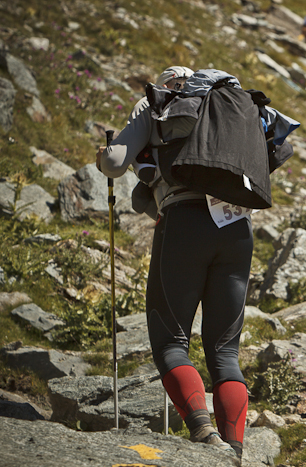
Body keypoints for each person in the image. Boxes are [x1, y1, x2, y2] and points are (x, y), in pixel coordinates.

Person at [96, 66, 250, 466]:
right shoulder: (227, 107)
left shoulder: (156, 102)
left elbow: (115, 163)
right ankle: (235, 451)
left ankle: (203, 432)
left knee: (170, 342)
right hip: (237, 226)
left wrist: (104, 158)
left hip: (183, 221)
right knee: (225, 351)